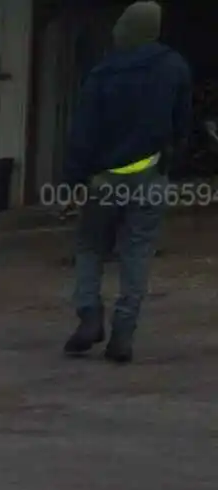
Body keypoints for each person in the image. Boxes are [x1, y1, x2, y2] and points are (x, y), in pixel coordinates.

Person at [62, 1, 193, 363]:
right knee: (136, 253)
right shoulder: (174, 67)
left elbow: (83, 134)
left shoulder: (101, 73)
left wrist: (73, 179)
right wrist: (169, 160)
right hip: (150, 175)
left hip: (104, 179)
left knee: (90, 247)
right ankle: (123, 334)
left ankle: (89, 316)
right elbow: (182, 124)